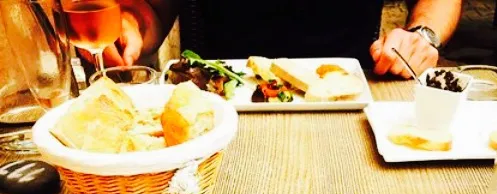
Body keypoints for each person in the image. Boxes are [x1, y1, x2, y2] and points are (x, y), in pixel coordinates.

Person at [86, 0, 462, 79]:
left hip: (352, 91)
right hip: (217, 95)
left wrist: (422, 35)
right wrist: (132, 22)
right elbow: (154, 7)